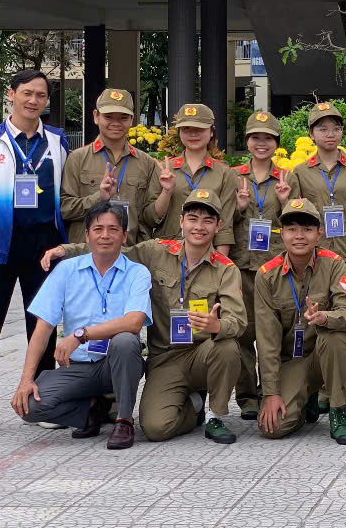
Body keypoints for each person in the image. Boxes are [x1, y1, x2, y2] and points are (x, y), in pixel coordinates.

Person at [43, 189, 247, 445]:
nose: (199, 226)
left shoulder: (226, 269)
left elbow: (238, 321)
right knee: (155, 429)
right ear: (181, 221)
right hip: (165, 358)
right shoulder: (156, 251)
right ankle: (194, 406)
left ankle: (215, 417)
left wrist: (218, 325)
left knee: (227, 347)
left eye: (208, 220)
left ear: (218, 226)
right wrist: (65, 250)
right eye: (193, 219)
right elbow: (111, 248)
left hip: (202, 353)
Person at [0, 69, 70, 437]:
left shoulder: (57, 140)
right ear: (11, 94)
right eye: (27, 93)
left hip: (44, 245)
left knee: (42, 324)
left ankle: (43, 400)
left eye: (40, 95)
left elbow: (69, 189)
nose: (33, 100)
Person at [10, 201, 151, 449]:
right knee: (29, 407)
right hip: (78, 367)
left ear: (124, 235)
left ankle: (124, 420)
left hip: (117, 364)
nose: (105, 235)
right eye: (98, 229)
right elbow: (43, 327)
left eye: (113, 229)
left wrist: (81, 335)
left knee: (125, 340)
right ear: (87, 235)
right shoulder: (66, 270)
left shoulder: (137, 272)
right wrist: (26, 379)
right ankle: (90, 411)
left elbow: (134, 322)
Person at [255, 198, 346, 444]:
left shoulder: (334, 264)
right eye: (292, 229)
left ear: (319, 233)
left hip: (322, 355)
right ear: (281, 233)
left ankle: (338, 412)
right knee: (272, 428)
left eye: (307, 229)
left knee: (335, 335)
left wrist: (325, 317)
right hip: (290, 361)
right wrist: (271, 392)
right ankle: (306, 400)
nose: (299, 236)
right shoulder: (267, 276)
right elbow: (266, 340)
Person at [287, 101, 346, 415]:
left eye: (335, 127)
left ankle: (344, 394)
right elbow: (296, 217)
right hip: (316, 258)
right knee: (317, 319)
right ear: (311, 133)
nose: (330, 133)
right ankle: (320, 388)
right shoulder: (300, 172)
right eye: (322, 128)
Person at [231, 110, 292, 422]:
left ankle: (272, 389)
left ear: (276, 142)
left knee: (274, 333)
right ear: (247, 141)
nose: (261, 143)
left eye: (268, 138)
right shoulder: (233, 176)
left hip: (274, 267)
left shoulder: (287, 177)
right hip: (241, 266)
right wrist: (240, 209)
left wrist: (284, 203)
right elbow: (221, 222)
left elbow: (297, 221)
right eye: (256, 137)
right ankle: (247, 397)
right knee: (243, 333)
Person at [61, 88, 170, 245]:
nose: (116, 123)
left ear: (132, 120)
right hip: (86, 252)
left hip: (129, 252)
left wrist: (167, 192)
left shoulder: (146, 162)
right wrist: (99, 197)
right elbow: (65, 209)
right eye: (108, 116)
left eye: (123, 117)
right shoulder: (77, 159)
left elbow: (150, 218)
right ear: (96, 116)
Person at [155, 103, 238, 256]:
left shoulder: (225, 173)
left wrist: (220, 264)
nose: (193, 134)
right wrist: (166, 192)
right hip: (167, 253)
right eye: (186, 129)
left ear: (211, 132)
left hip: (206, 253)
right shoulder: (164, 169)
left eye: (199, 129)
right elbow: (152, 218)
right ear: (179, 133)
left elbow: (225, 225)